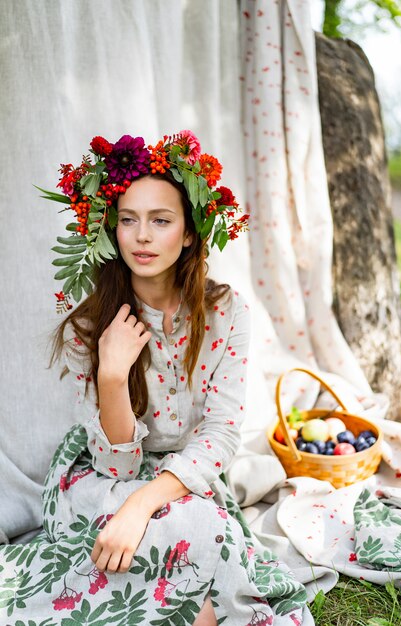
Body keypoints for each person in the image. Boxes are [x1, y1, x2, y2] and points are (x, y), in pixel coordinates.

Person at [0, 131, 307, 625]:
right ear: (110, 230)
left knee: (194, 524)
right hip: (100, 477)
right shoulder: (91, 325)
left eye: (160, 220)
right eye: (128, 220)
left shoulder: (227, 313)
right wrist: (113, 377)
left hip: (184, 475)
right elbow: (116, 467)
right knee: (147, 538)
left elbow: (221, 433)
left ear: (188, 232)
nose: (142, 236)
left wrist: (142, 505)